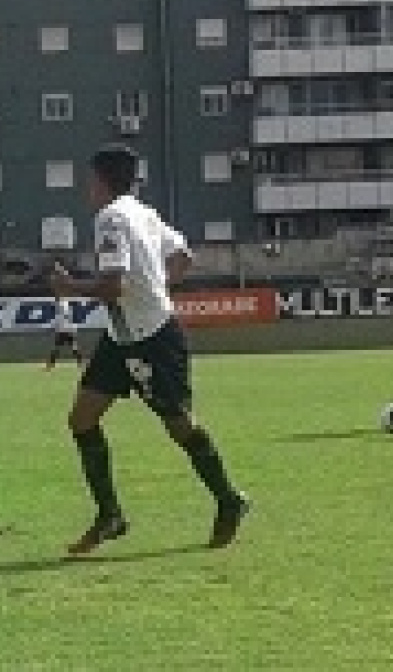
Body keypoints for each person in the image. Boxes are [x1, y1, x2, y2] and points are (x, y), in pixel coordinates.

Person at [50, 143, 248, 556]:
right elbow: (183, 257)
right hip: (122, 336)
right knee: (81, 418)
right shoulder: (143, 212)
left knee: (180, 426)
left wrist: (69, 286)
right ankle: (110, 516)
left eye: (90, 179)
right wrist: (156, 287)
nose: (87, 187)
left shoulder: (110, 218)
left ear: (101, 179)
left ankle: (229, 499)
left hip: (152, 339)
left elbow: (113, 287)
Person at [46, 294, 84, 370]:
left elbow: (60, 320)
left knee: (57, 348)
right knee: (73, 347)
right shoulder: (67, 310)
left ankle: (51, 365)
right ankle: (80, 363)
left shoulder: (62, 309)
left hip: (64, 331)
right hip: (68, 330)